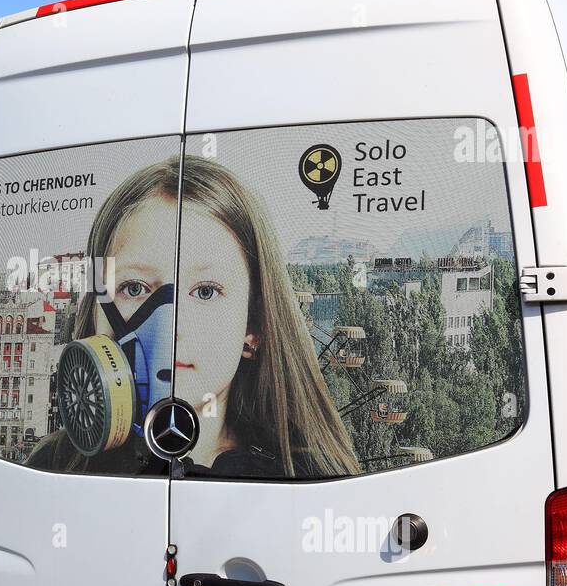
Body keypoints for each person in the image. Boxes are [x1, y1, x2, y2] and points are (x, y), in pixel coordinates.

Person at [26, 154, 360, 480]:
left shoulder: (307, 481)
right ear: (95, 310)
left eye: (205, 291)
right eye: (134, 287)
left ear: (254, 325)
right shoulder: (51, 467)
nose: (172, 327)